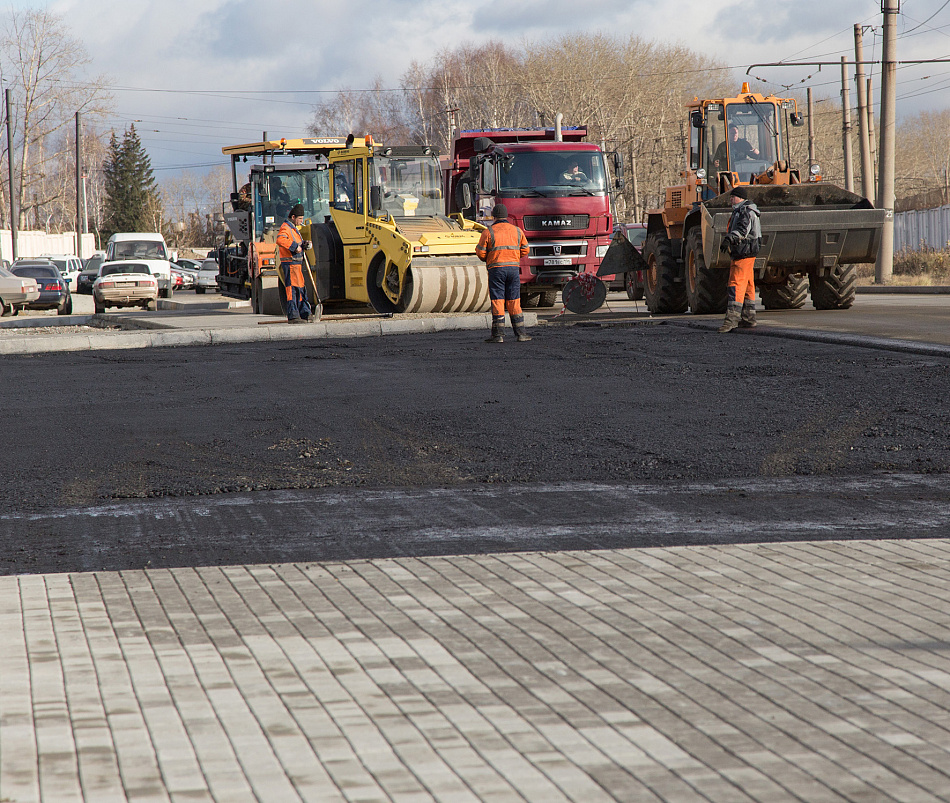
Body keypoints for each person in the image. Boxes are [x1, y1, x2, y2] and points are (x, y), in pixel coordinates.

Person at [475, 204, 531, 343]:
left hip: (496, 270)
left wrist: (489, 259)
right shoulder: (517, 231)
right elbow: (525, 250)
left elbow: (481, 252)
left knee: (498, 300)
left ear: (494, 217)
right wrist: (513, 258)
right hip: (513, 269)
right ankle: (521, 334)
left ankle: (498, 335)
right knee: (514, 300)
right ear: (506, 216)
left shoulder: (488, 232)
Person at [718, 186, 762, 333]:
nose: (731, 199)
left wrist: (729, 239)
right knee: (748, 286)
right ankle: (749, 318)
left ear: (740, 198)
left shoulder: (745, 211)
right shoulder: (745, 210)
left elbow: (742, 230)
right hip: (747, 252)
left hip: (743, 253)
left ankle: (731, 321)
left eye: (733, 197)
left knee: (735, 284)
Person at [276, 203, 314, 324]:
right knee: (292, 289)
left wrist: (304, 245)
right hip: (290, 263)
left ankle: (304, 313)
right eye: (300, 219)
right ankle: (293, 315)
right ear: (293, 217)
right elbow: (280, 240)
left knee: (300, 289)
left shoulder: (294, 229)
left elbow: (298, 243)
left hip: (297, 263)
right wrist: (294, 247)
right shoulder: (286, 228)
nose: (301, 221)